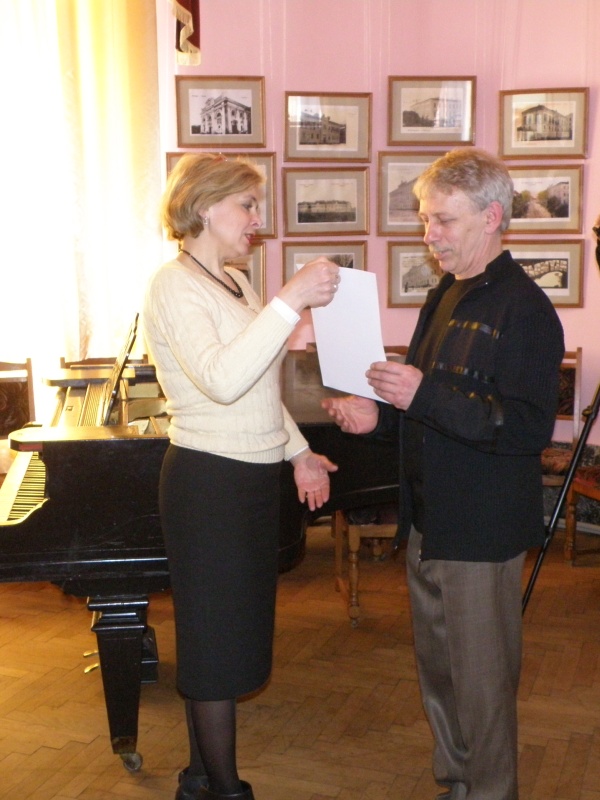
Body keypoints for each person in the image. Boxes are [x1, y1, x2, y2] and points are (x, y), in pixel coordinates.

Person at [323, 147, 564, 800]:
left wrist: (421, 394)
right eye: (426, 219)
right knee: (439, 673)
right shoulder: (445, 295)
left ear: (491, 217)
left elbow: (526, 430)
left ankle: (491, 792)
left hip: (481, 530)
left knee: (482, 684)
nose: (430, 234)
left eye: (444, 220)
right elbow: (427, 412)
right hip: (429, 522)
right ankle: (457, 783)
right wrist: (378, 417)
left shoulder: (525, 310)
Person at [142, 153, 341, 800]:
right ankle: (226, 789)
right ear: (205, 206)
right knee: (214, 642)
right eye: (248, 205)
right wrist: (289, 301)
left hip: (249, 481)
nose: (259, 219)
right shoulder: (173, 285)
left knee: (228, 636)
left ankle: (200, 777)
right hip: (209, 483)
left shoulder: (234, 282)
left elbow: (258, 389)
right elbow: (223, 381)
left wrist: (299, 453)